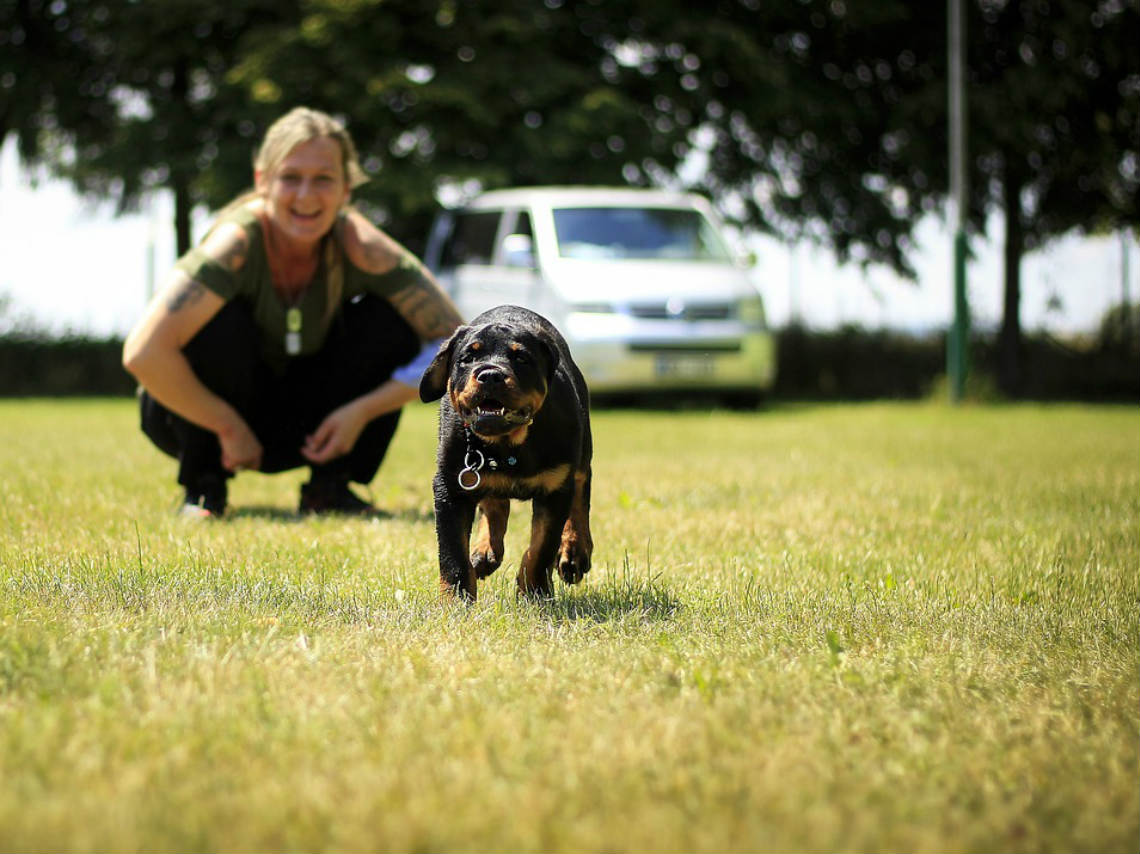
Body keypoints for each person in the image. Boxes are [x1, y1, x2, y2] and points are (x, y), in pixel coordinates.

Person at [123, 107, 463, 518]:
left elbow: (461, 346)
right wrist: (227, 425)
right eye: (290, 177)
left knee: (386, 320)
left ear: (346, 191)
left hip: (314, 428)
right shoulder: (235, 244)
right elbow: (143, 353)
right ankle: (203, 488)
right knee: (214, 322)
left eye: (323, 179)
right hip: (208, 422)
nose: (306, 195)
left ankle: (329, 488)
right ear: (262, 182)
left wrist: (363, 410)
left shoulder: (363, 247)